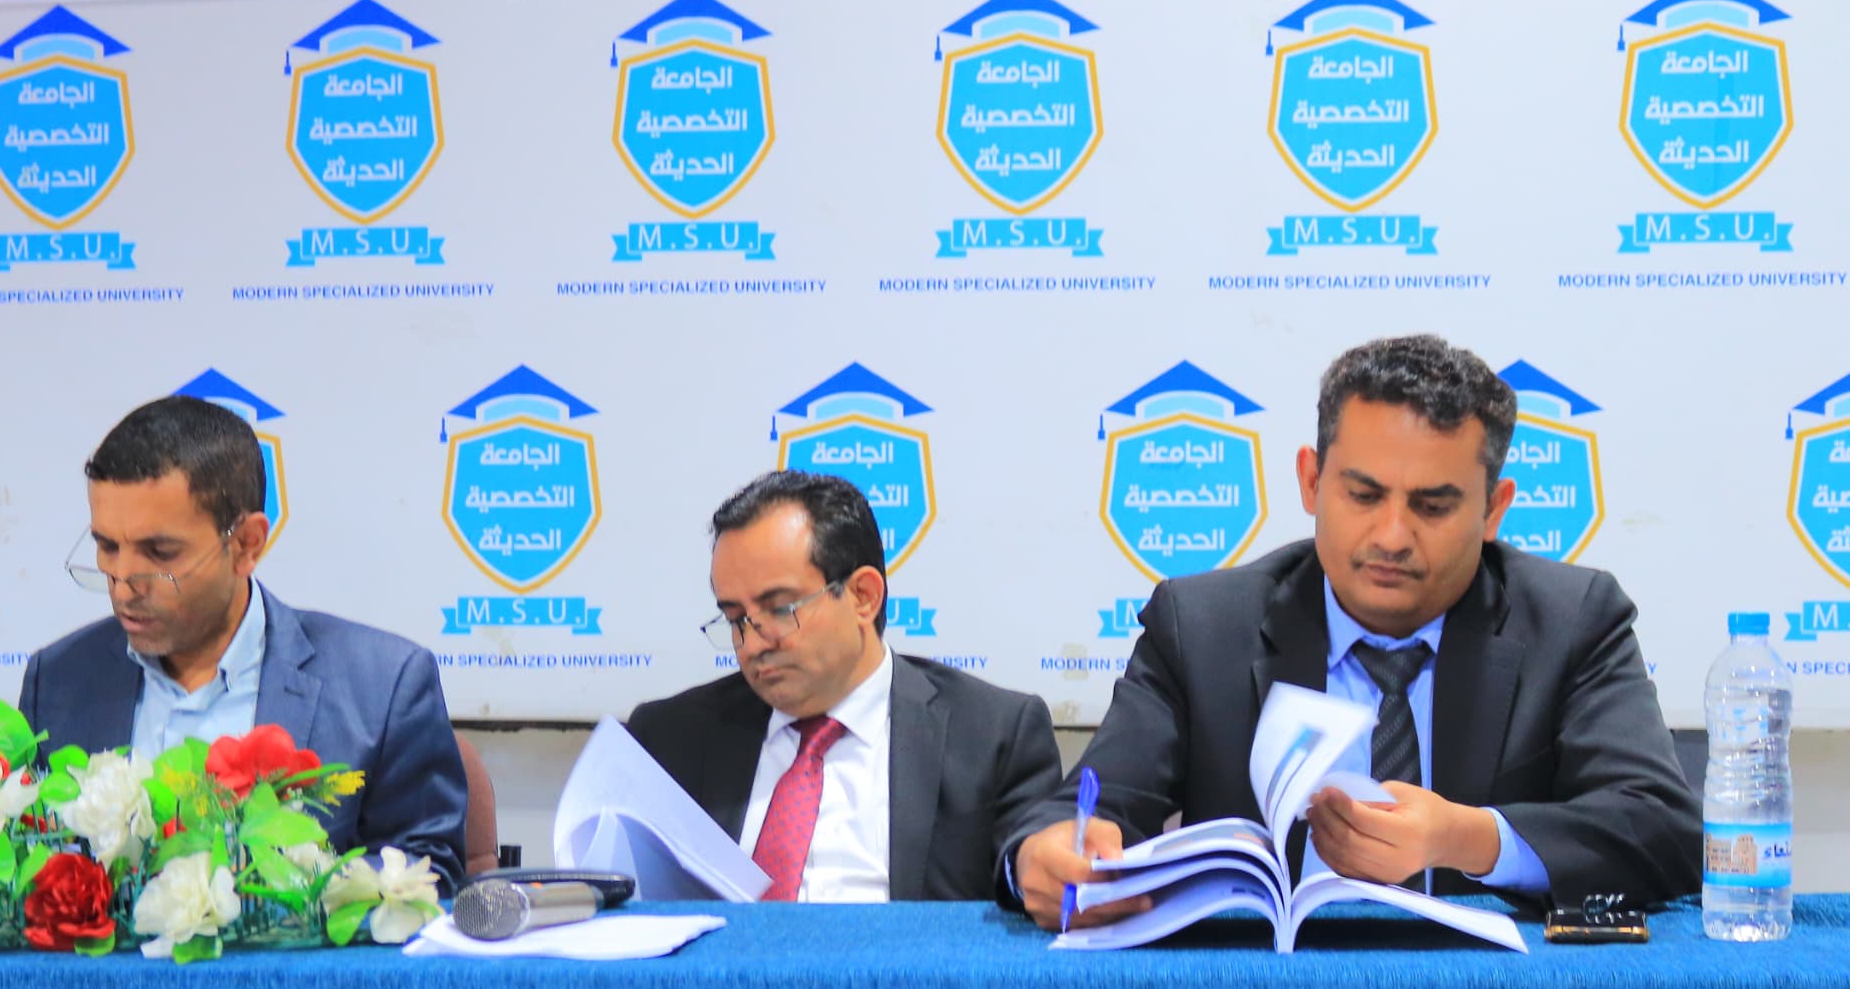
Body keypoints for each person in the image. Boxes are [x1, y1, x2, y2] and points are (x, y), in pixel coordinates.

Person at [1010, 334, 1701, 929]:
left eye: (1432, 506)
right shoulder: (1202, 627)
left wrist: (1468, 838)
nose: (1392, 536)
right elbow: (1086, 808)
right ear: (1312, 482)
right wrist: (1043, 855)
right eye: (1364, 495)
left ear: (1494, 510)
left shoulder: (1573, 621)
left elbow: (1662, 829)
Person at [18, 394, 467, 887]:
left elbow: (428, 874)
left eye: (160, 552)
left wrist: (290, 893)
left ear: (246, 544)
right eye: (107, 546)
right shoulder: (57, 682)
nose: (123, 583)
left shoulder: (382, 687)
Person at [626, 470, 1062, 902]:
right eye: (736, 618)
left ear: (863, 596)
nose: (753, 644)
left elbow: (1032, 896)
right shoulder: (669, 740)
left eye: (780, 609)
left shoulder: (993, 737)